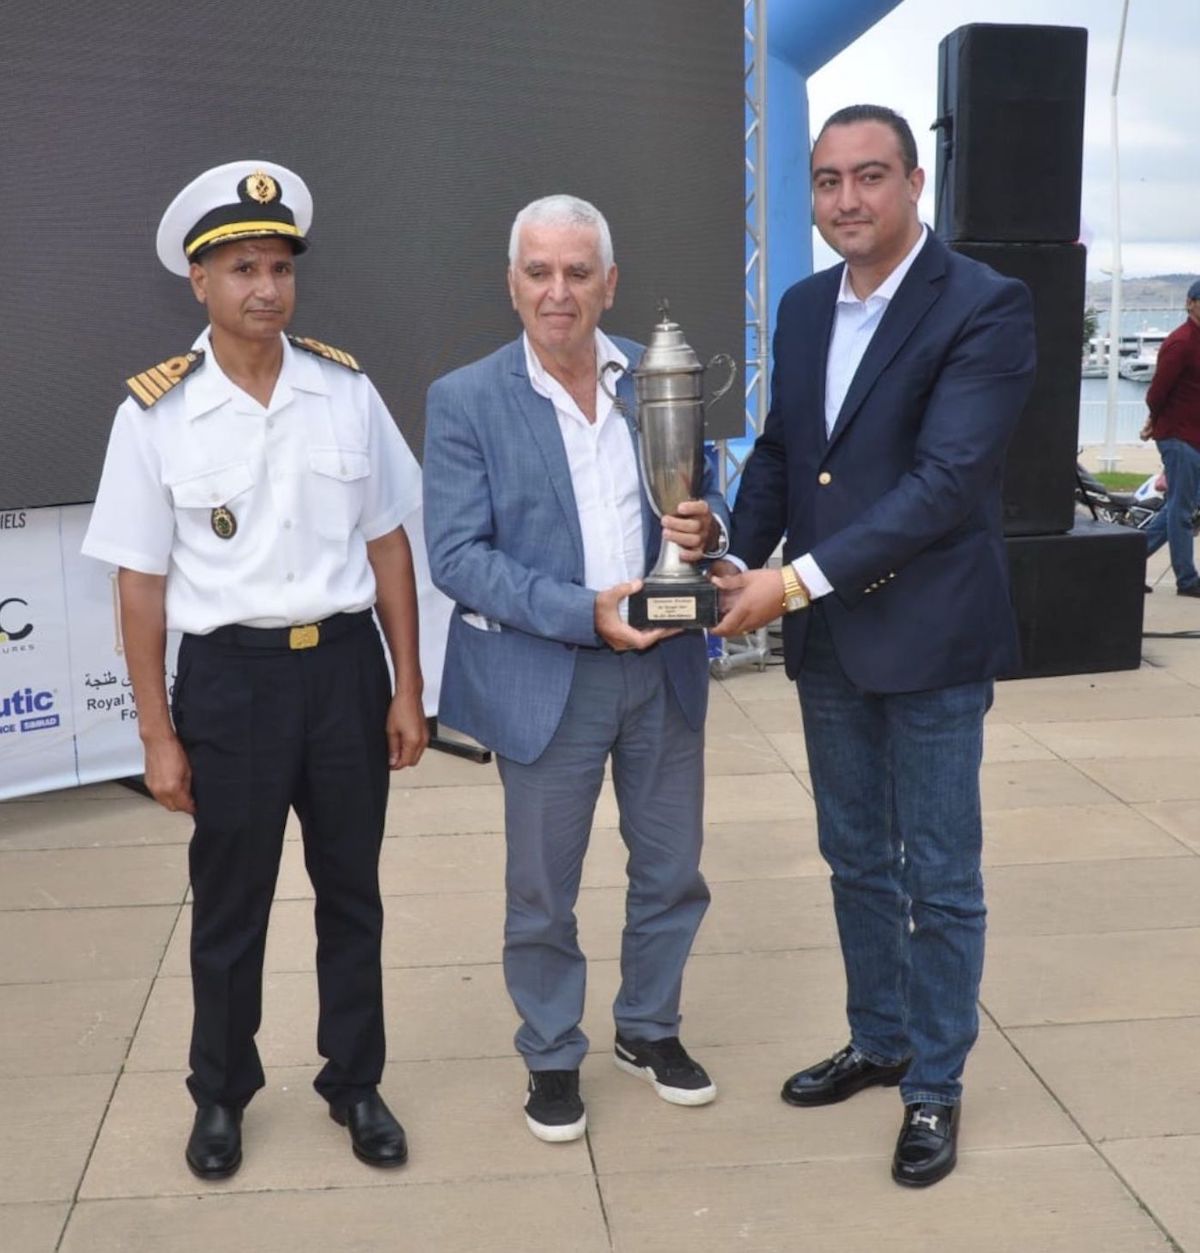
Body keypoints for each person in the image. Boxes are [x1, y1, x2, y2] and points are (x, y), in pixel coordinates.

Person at [82, 160, 427, 1179]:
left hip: (344, 673)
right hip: (231, 683)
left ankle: (355, 1081)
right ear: (200, 281)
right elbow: (140, 586)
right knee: (230, 905)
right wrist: (156, 732)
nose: (266, 288)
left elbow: (389, 545)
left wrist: (409, 685)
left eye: (279, 267)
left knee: (351, 892)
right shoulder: (156, 414)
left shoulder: (345, 391)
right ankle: (221, 1093)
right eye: (242, 268)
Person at [712, 105, 1036, 1187]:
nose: (845, 199)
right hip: (832, 642)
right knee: (855, 857)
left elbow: (945, 483)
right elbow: (782, 452)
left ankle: (934, 1081)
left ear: (913, 184)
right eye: (827, 180)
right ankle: (881, 1036)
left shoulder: (984, 304)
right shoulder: (805, 306)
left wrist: (790, 581)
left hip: (931, 640)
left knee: (939, 876)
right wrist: (730, 552)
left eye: (869, 176)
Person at [423, 194, 727, 1142]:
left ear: (610, 283)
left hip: (665, 669)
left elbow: (709, 502)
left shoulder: (657, 373)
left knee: (672, 870)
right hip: (547, 676)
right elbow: (456, 555)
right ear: (512, 284)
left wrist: (710, 530)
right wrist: (582, 613)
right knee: (542, 889)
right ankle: (552, 1052)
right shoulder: (465, 398)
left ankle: (648, 1027)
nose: (559, 291)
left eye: (578, 272)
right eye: (540, 272)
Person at [1140, 280, 1200, 595]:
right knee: (1181, 510)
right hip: (1179, 437)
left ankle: (1126, 564)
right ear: (1190, 303)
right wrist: (1154, 419)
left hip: (1193, 436)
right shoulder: (1181, 342)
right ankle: (1187, 580)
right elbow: (1157, 392)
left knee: (1178, 506)